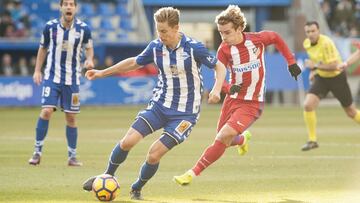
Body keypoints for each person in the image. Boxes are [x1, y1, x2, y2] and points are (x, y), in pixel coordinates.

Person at [81, 7, 226, 200]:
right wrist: (101, 72)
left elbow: (219, 66)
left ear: (176, 28)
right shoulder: (156, 47)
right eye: (158, 30)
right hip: (159, 106)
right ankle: (107, 175)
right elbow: (134, 62)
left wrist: (216, 89)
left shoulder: (193, 48)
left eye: (164, 31)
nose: (161, 35)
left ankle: (136, 188)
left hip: (184, 115)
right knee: (127, 141)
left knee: (153, 154)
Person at [173, 5, 301, 186]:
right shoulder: (224, 50)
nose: (224, 37)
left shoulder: (257, 40)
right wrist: (226, 88)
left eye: (227, 33)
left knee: (223, 137)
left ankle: (191, 174)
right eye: (221, 33)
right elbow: (220, 75)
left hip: (252, 103)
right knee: (224, 139)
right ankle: (242, 139)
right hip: (232, 101)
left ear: (240, 28)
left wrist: (291, 62)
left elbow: (276, 38)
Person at [28, 0, 94, 166]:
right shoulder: (50, 27)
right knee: (47, 111)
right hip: (52, 77)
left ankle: (72, 156)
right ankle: (37, 152)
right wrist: (37, 70)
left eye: (72, 4)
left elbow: (89, 47)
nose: (69, 7)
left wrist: (89, 60)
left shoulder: (84, 29)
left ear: (75, 8)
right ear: (61, 7)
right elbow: (42, 48)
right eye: (66, 4)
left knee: (71, 117)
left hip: (72, 80)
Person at [301, 21, 360, 151]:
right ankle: (312, 140)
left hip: (337, 77)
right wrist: (313, 71)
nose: (310, 34)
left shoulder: (326, 43)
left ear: (319, 30)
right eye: (308, 32)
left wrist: (314, 67)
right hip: (322, 78)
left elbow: (334, 65)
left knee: (351, 112)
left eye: (313, 31)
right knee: (308, 105)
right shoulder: (306, 43)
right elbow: (317, 61)